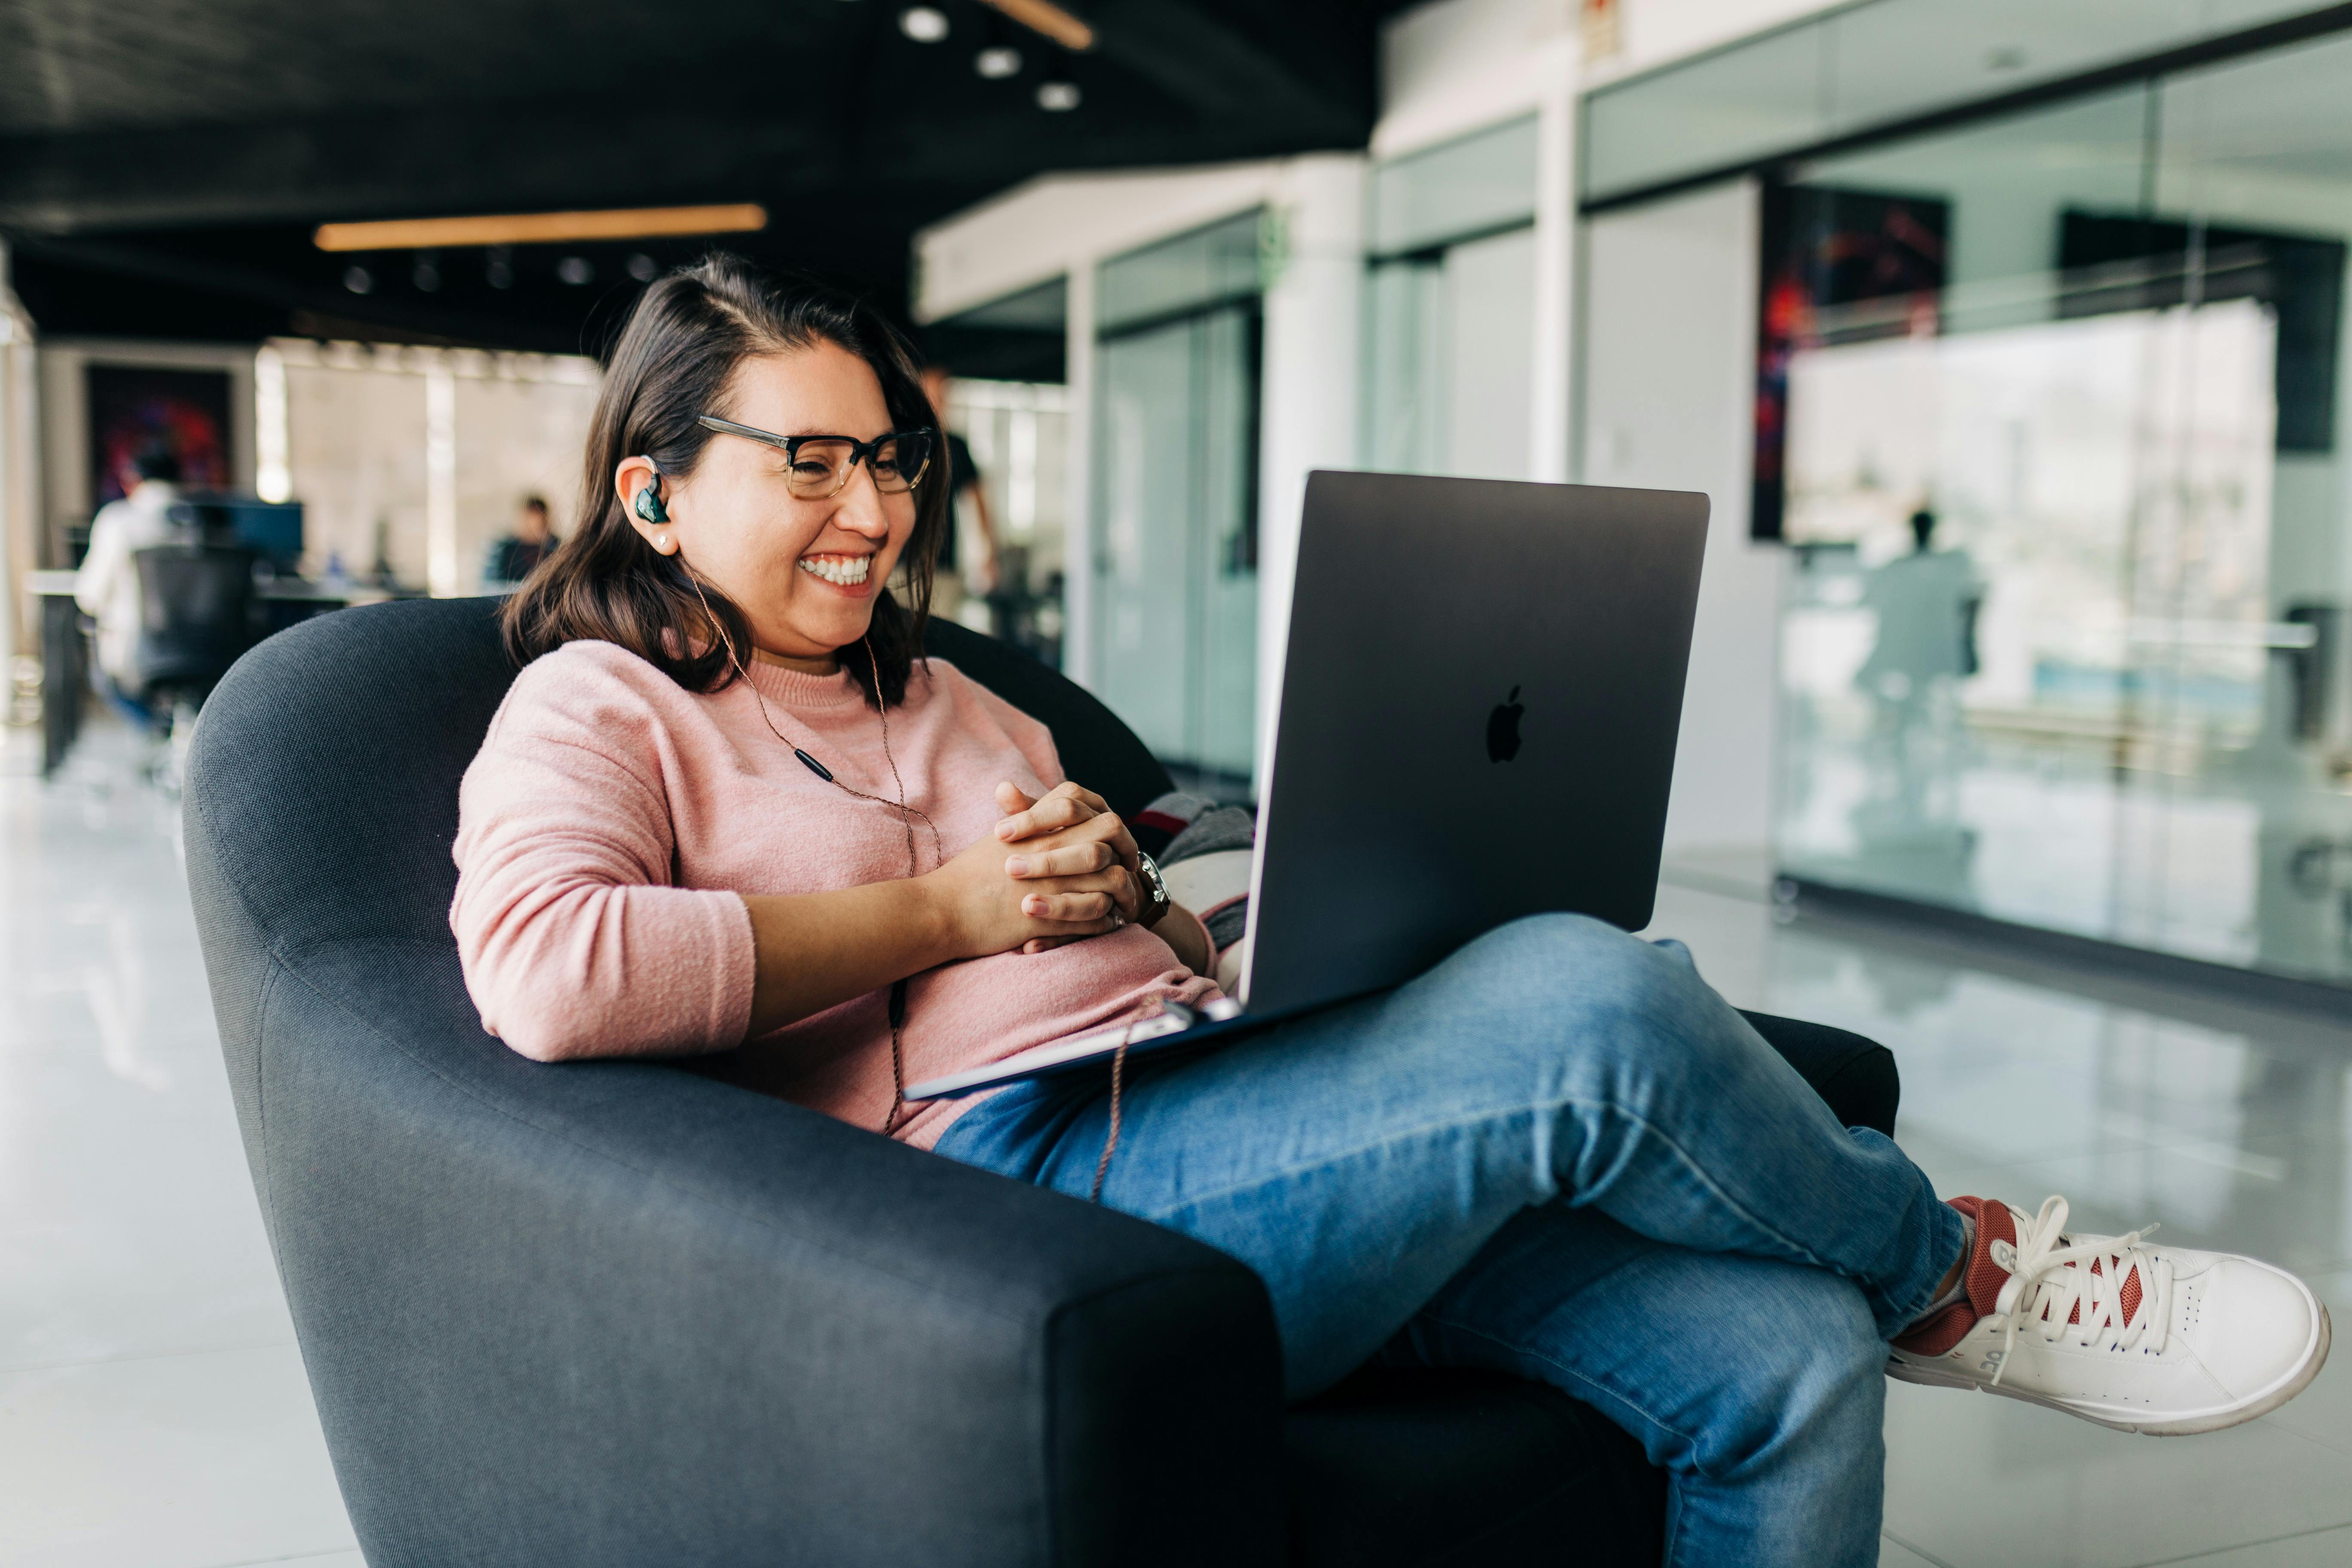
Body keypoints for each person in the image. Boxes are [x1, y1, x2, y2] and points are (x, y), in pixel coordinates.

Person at [452, 259, 2328, 1568]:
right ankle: (1959, 1277)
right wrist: (953, 902)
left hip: (1207, 1099)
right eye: (810, 461)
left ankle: (1877, 1299)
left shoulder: (951, 693)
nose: (870, 507)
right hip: (1034, 1200)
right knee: (1589, 1001)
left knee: (1779, 1363)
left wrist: (1236, 926)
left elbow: (1100, 930)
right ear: (653, 492)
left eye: (890, 457)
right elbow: (547, 972)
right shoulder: (599, 707)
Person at [74, 447, 185, 725]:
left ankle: (158, 733)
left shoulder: (118, 521)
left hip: (136, 651)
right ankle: (176, 735)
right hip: (208, 648)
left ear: (133, 481)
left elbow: (89, 596)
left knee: (103, 680)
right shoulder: (208, 519)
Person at [917, 364, 998, 610]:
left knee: (940, 643)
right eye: (929, 394)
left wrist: (990, 552)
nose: (935, 402)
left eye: (941, 395)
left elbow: (979, 500)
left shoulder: (957, 447)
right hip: (897, 566)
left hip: (943, 568)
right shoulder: (899, 443)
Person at [483, 495, 559, 585]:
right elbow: (489, 583)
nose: (534, 526)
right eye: (530, 520)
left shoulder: (557, 548)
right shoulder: (505, 549)